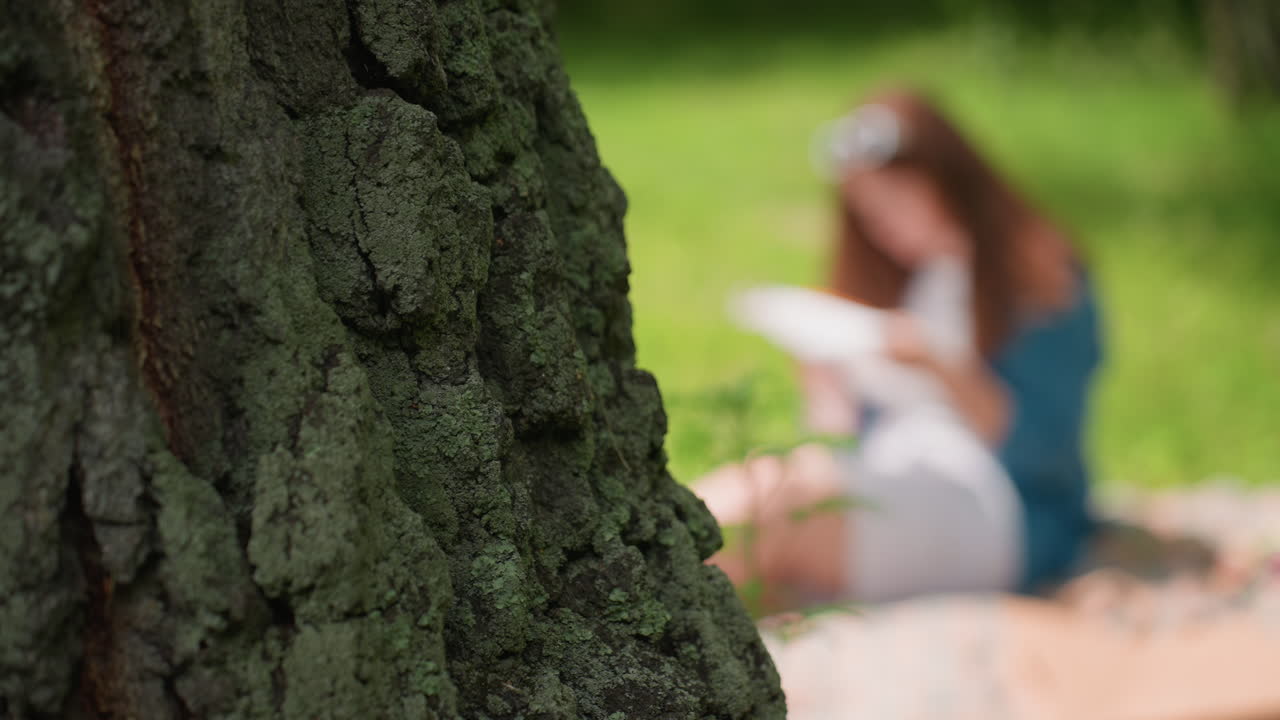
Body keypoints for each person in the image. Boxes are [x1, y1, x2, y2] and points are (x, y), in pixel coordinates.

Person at [694, 90, 1103, 608]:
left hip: (994, 503)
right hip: (888, 475)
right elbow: (843, 442)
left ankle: (613, 603)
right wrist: (823, 387)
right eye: (867, 213)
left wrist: (937, 364)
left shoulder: (1037, 278)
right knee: (767, 506)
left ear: (946, 179)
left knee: (782, 503)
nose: (881, 227)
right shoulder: (901, 277)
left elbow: (1045, 450)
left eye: (895, 202)